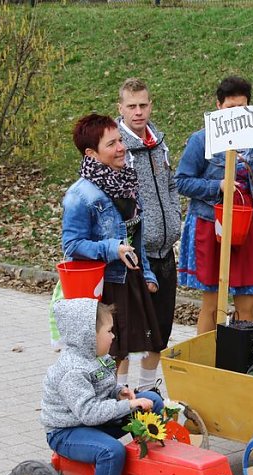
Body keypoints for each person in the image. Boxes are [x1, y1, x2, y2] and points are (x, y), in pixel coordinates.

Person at [41, 298, 163, 475]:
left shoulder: (99, 357)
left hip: (93, 420)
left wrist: (120, 392)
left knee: (153, 400)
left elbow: (104, 386)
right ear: (88, 335)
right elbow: (89, 412)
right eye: (108, 331)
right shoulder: (72, 371)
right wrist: (127, 405)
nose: (113, 336)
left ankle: (148, 462)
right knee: (111, 451)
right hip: (68, 431)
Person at [61, 113, 164, 388]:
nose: (121, 147)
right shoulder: (79, 195)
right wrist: (112, 248)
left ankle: (126, 405)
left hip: (128, 279)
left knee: (124, 351)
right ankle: (105, 405)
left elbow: (136, 236)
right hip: (101, 285)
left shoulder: (127, 182)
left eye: (120, 140)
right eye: (111, 144)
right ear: (91, 153)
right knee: (107, 353)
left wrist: (148, 274)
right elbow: (71, 246)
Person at [175, 75, 253, 333]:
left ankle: (239, 362)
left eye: (242, 108)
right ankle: (207, 361)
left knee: (249, 300)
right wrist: (217, 186)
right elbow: (182, 181)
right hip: (212, 224)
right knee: (212, 302)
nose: (236, 114)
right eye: (230, 108)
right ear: (218, 106)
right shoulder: (201, 140)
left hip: (246, 226)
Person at [116, 78, 181, 392]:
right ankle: (119, 394)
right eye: (131, 106)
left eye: (143, 105)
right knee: (126, 333)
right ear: (121, 108)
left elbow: (171, 184)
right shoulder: (116, 147)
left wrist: (174, 218)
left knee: (160, 330)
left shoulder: (160, 143)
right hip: (133, 254)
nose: (138, 112)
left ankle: (147, 390)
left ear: (150, 105)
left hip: (165, 250)